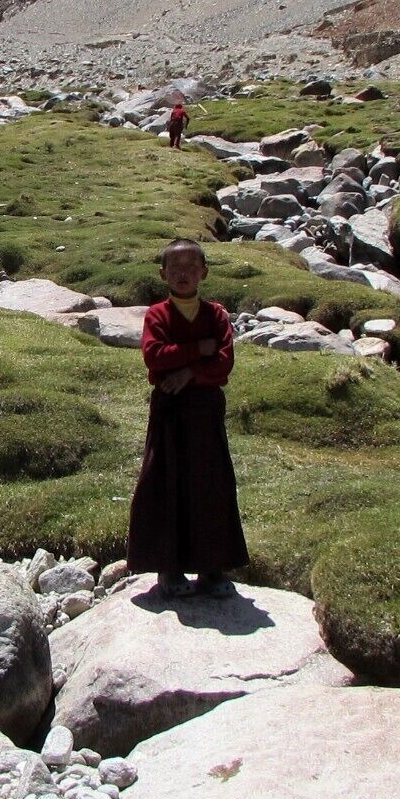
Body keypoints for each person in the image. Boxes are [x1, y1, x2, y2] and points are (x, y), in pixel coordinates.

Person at [126, 238, 246, 598]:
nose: (183, 274)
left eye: (192, 267)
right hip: (170, 413)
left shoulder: (216, 315)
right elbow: (155, 357)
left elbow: (223, 363)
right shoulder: (157, 315)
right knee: (167, 481)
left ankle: (212, 568)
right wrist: (198, 351)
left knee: (210, 485)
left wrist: (189, 373)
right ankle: (169, 568)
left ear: (204, 273)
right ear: (163, 274)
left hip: (206, 411)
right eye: (175, 268)